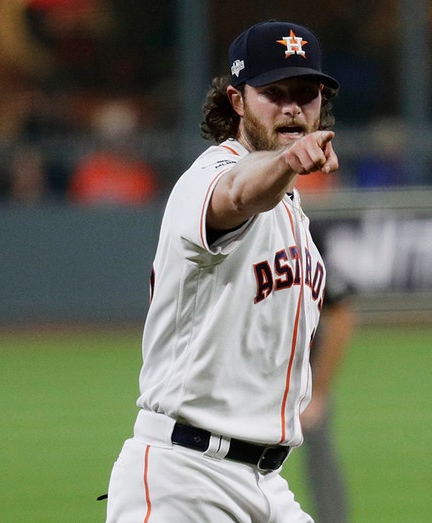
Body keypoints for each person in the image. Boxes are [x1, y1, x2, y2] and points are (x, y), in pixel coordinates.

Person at [103, 20, 339, 522]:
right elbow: (236, 194)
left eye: (306, 93)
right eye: (274, 93)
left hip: (265, 482)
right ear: (236, 101)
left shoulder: (292, 210)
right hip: (183, 480)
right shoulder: (208, 177)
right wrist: (287, 163)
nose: (293, 108)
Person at [299, 261, 355, 523]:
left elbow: (341, 315)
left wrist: (318, 392)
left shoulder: (307, 240)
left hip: (300, 384)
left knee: (320, 463)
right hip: (250, 384)